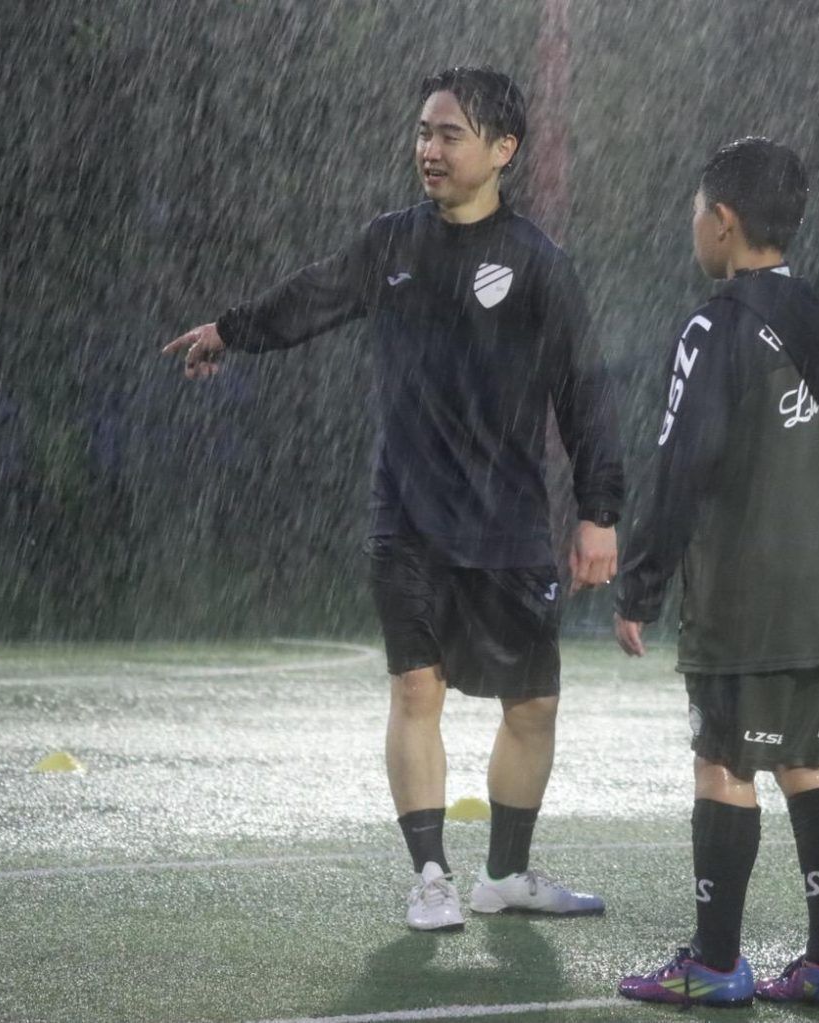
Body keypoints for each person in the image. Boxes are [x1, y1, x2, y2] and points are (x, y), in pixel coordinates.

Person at [162, 66, 624, 932]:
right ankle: (431, 879)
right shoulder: (391, 245)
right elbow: (312, 297)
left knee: (533, 706)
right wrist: (230, 329)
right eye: (423, 132)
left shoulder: (539, 264)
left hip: (509, 526)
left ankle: (506, 875)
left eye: (449, 134)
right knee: (417, 693)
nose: (429, 149)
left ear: (502, 150)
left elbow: (585, 394)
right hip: (407, 517)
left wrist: (600, 510)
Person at [612, 137, 819, 1009]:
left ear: (723, 223)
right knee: (812, 764)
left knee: (723, 765)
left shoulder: (715, 322)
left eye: (697, 212)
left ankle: (716, 961)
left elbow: (683, 461)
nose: (694, 227)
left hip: (744, 596)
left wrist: (641, 583)